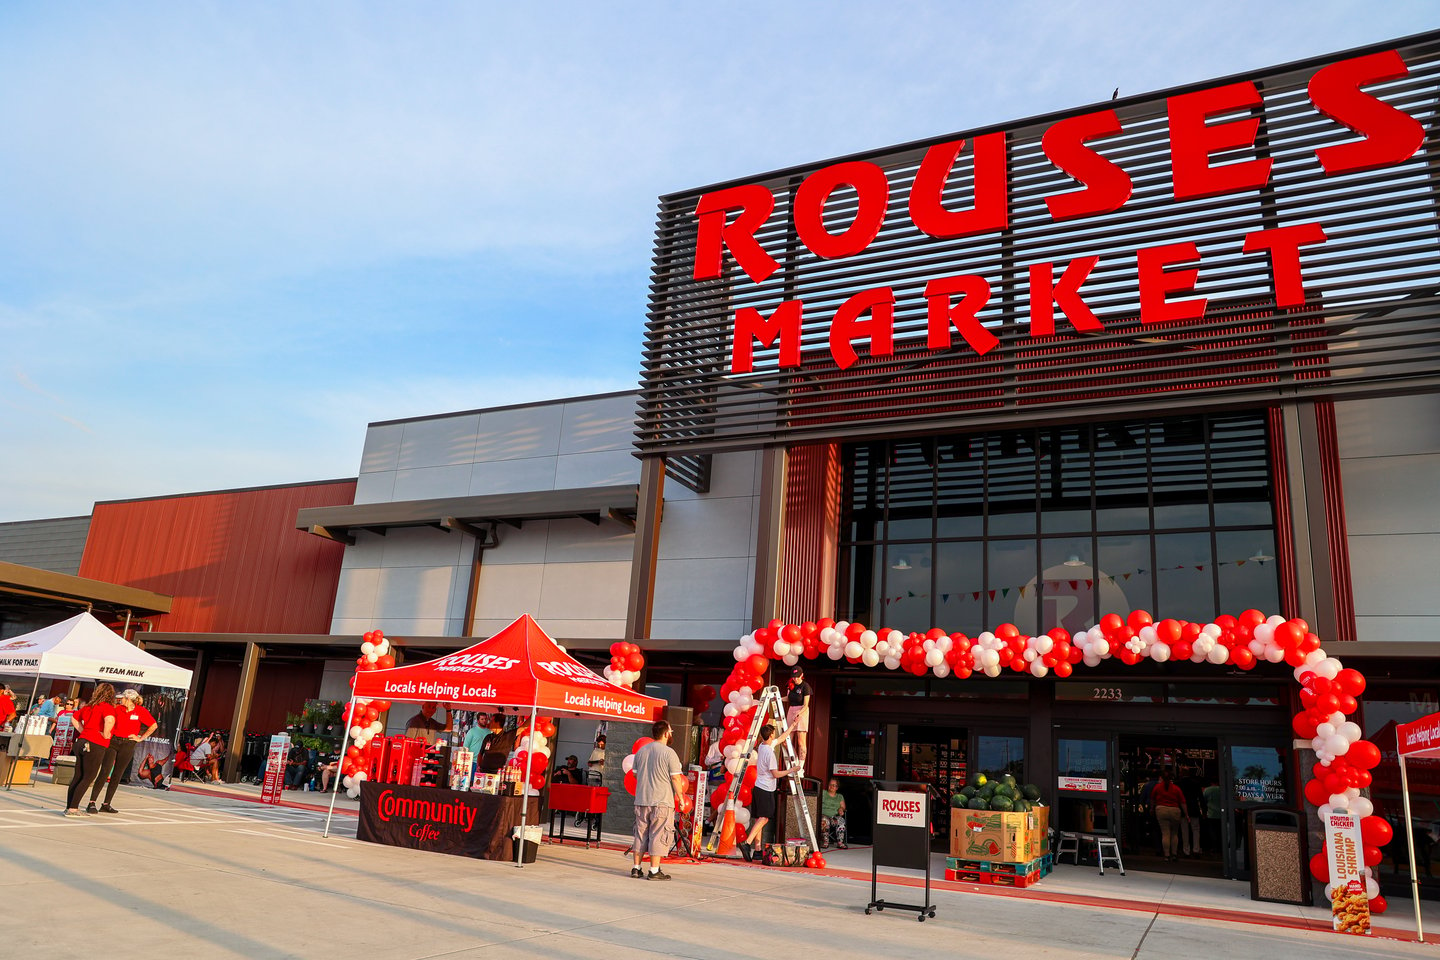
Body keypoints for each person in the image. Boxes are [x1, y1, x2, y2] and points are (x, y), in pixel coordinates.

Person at [629, 719, 689, 881]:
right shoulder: (669, 753)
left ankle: (636, 868)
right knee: (658, 834)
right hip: (662, 801)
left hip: (642, 799)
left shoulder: (641, 751)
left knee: (640, 833)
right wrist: (681, 799)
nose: (671, 734)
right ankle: (654, 870)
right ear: (665, 733)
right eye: (670, 732)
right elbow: (676, 779)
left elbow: (635, 774)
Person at [88, 688, 158, 813]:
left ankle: (106, 803)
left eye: (123, 698)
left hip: (128, 744)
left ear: (129, 699)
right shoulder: (116, 708)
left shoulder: (140, 711)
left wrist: (141, 738)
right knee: (105, 771)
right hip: (113, 741)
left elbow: (153, 725)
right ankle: (92, 802)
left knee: (117, 774)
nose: (121, 700)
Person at [740, 723, 798, 862]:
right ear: (771, 735)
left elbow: (782, 738)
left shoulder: (763, 746)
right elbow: (776, 774)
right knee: (764, 818)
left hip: (758, 787)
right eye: (773, 733)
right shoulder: (770, 753)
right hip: (766, 788)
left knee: (759, 818)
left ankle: (758, 850)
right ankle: (747, 843)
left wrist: (793, 726)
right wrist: (791, 770)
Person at [65, 683, 117, 817]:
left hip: (82, 741)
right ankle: (73, 808)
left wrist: (83, 731)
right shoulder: (108, 707)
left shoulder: (88, 706)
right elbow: (110, 720)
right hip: (96, 743)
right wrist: (106, 734)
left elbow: (74, 718)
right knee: (88, 777)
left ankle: (70, 806)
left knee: (78, 776)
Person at [1149, 768, 1188, 862]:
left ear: (1161, 777)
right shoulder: (1176, 788)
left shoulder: (1157, 787)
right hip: (1175, 810)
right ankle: (1174, 854)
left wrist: (1151, 809)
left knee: (1165, 833)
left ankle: (1166, 855)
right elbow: (1182, 802)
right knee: (1174, 833)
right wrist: (1186, 814)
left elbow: (1152, 799)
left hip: (1161, 809)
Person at [785, 667, 812, 765]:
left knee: (801, 742)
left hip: (802, 711)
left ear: (801, 675)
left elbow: (806, 704)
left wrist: (799, 713)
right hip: (791, 710)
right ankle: (795, 759)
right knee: (786, 740)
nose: (795, 679)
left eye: (797, 677)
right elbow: (788, 698)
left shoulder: (805, 686)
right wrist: (777, 698)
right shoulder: (790, 685)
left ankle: (801, 766)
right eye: (793, 677)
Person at [1178, 765, 1206, 856]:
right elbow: (1201, 798)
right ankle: (1196, 849)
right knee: (1196, 829)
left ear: (1181, 773)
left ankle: (1186, 850)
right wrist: (1204, 811)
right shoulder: (1196, 783)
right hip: (1194, 808)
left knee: (1184, 830)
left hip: (1182, 809)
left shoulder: (1178, 783)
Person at [819, 778, 848, 850]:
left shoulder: (839, 796)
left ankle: (840, 842)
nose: (831, 786)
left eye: (833, 785)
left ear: (837, 788)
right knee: (824, 820)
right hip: (823, 815)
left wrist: (841, 809)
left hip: (834, 816)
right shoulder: (823, 793)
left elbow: (843, 807)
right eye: (830, 784)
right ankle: (825, 841)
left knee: (841, 820)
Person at [1201, 775, 1223, 853]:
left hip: (1211, 814)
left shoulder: (1207, 790)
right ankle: (1221, 847)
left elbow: (1203, 801)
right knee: (1220, 831)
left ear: (1211, 782)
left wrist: (1204, 813)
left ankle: (1214, 847)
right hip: (1221, 814)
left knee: (1212, 831)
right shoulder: (1222, 790)